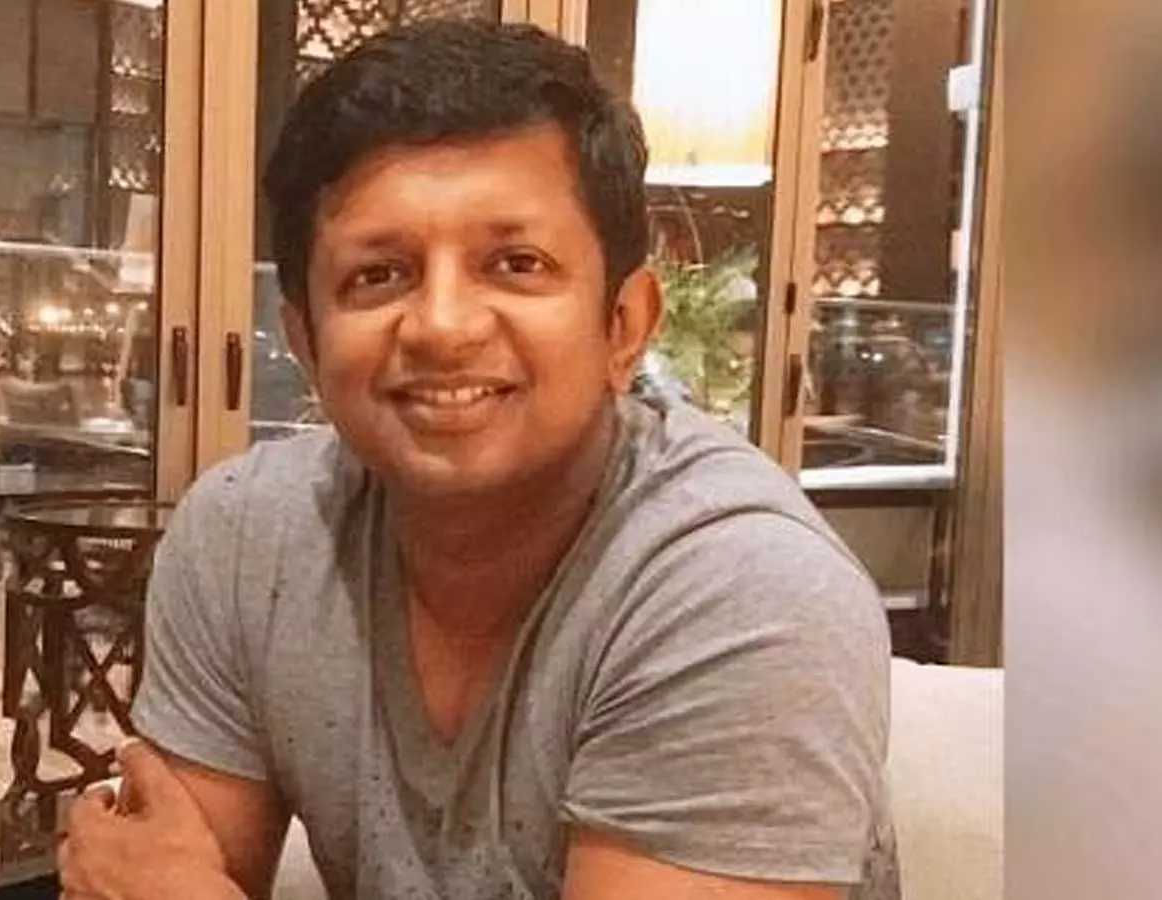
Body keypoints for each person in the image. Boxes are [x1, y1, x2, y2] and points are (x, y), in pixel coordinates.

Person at [59, 19, 896, 900]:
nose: (443, 327)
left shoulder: (740, 588)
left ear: (623, 327)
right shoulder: (245, 542)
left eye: (516, 264)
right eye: (379, 275)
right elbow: (150, 873)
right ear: (304, 341)